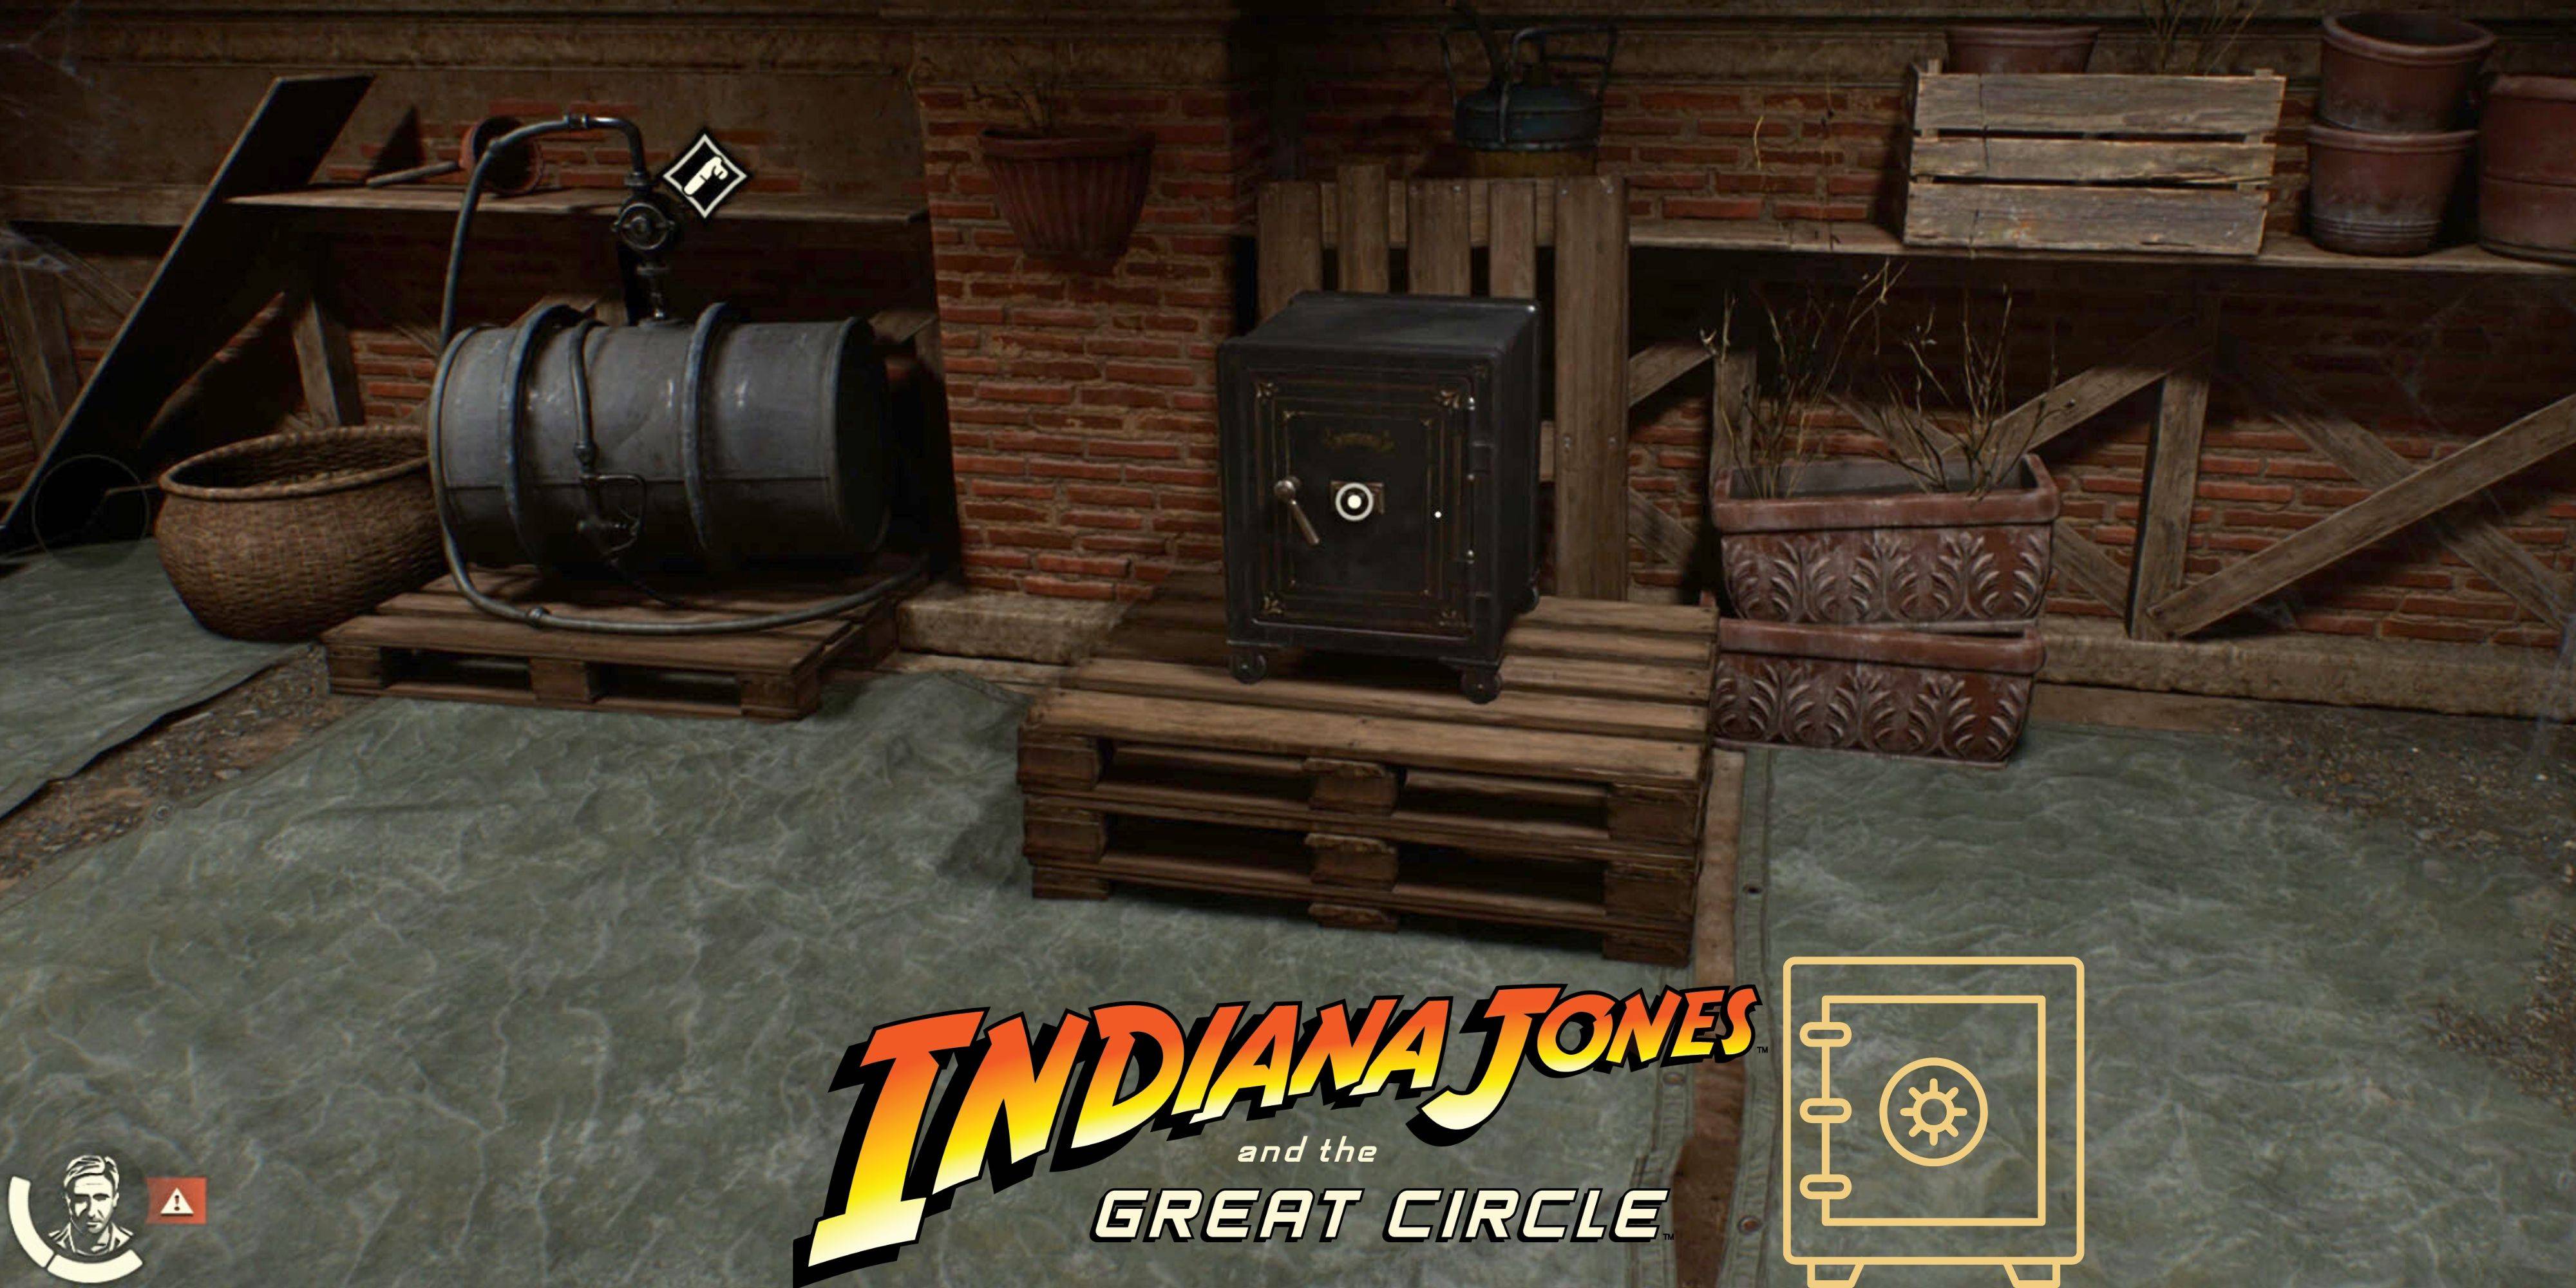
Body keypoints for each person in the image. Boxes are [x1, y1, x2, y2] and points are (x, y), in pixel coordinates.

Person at [48, 1155, 131, 1258]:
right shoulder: (49, 1245)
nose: (91, 1212)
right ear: (68, 1200)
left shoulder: (131, 1242)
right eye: (81, 1199)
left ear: (115, 1199)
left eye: (101, 1198)